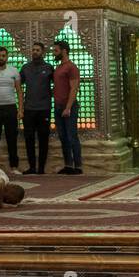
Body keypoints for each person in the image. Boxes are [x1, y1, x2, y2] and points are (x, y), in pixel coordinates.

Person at [18, 41, 54, 174]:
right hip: (29, 109)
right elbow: (18, 85)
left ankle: (41, 168)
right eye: (33, 50)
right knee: (29, 138)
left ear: (42, 52)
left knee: (43, 138)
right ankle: (32, 167)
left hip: (44, 109)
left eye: (37, 50)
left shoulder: (49, 68)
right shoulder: (26, 68)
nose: (35, 52)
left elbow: (57, 84)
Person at [52, 39, 83, 175]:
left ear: (64, 51)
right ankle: (68, 165)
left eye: (56, 50)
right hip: (58, 106)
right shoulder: (58, 67)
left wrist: (68, 107)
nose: (54, 53)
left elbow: (74, 88)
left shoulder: (71, 67)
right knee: (63, 137)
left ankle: (78, 166)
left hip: (68, 107)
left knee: (71, 136)